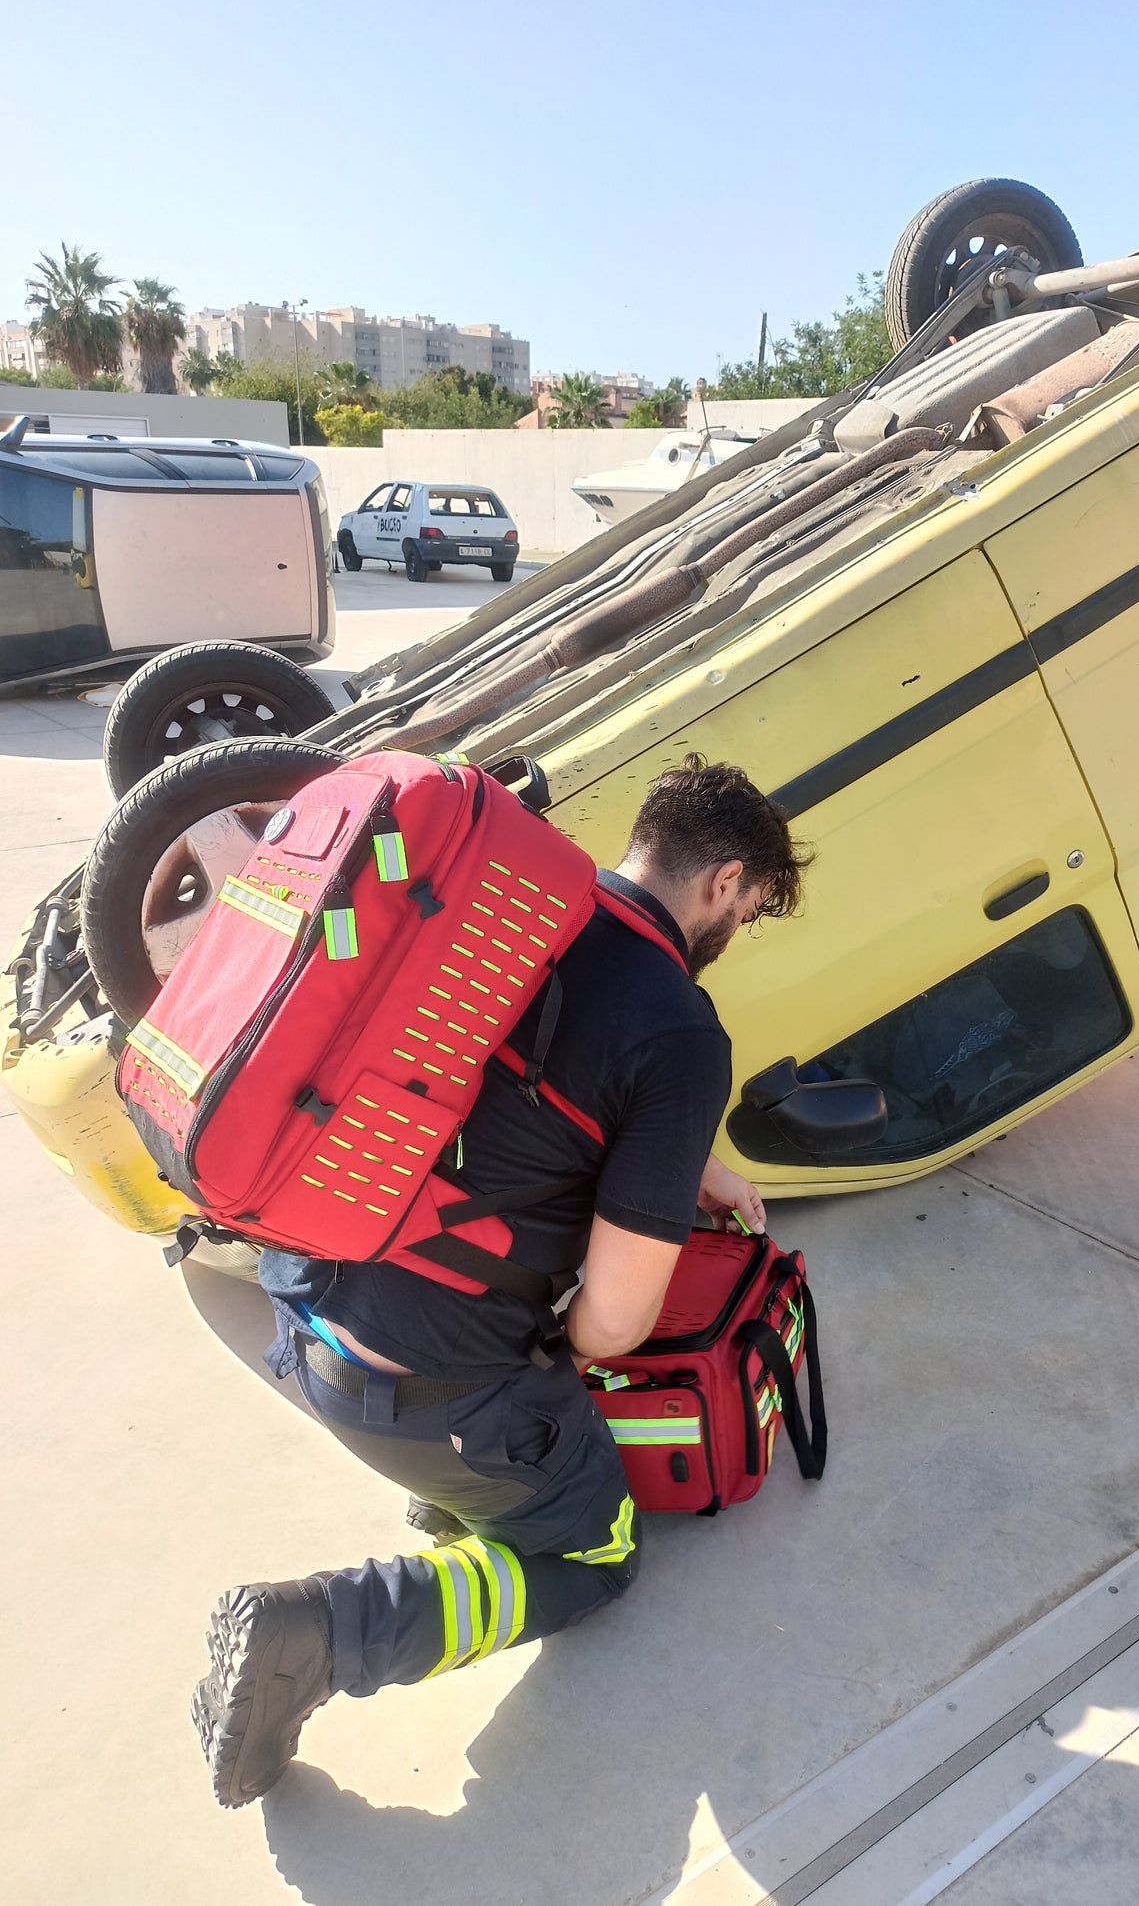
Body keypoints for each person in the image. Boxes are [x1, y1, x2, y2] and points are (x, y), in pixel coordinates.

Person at [192, 754, 810, 1807]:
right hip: (414, 1391)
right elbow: (612, 1322)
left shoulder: (501, 912)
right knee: (597, 1550)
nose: (732, 929)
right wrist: (566, 1351)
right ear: (723, 884)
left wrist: (675, 1165)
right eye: (745, 908)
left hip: (293, 1309)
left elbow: (482, 1087)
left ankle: (457, 1491)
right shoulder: (678, 1031)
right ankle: (320, 1633)